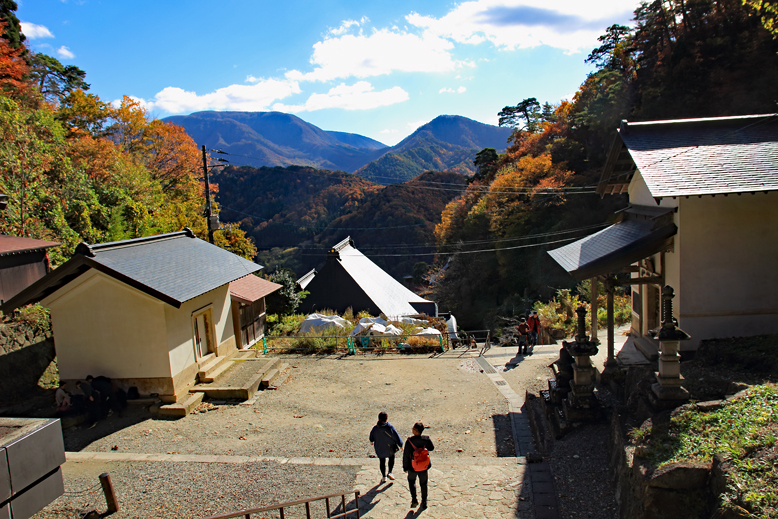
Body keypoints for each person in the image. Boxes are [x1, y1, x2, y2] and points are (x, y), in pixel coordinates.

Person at [403, 422, 434, 510]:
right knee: (423, 484)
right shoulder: (426, 439)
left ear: (416, 431)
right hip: (424, 466)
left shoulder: (409, 441)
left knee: (412, 482)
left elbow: (406, 455)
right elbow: (431, 448)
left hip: (412, 467)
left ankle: (414, 499)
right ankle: (424, 502)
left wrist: (405, 467)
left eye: (413, 428)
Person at [369, 411, 403, 484]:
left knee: (382, 461)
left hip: (379, 447)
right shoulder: (389, 427)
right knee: (391, 458)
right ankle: (390, 472)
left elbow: (371, 437)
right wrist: (400, 445)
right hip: (389, 447)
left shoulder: (375, 428)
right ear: (386, 419)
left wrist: (371, 441)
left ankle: (383, 476)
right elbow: (396, 436)